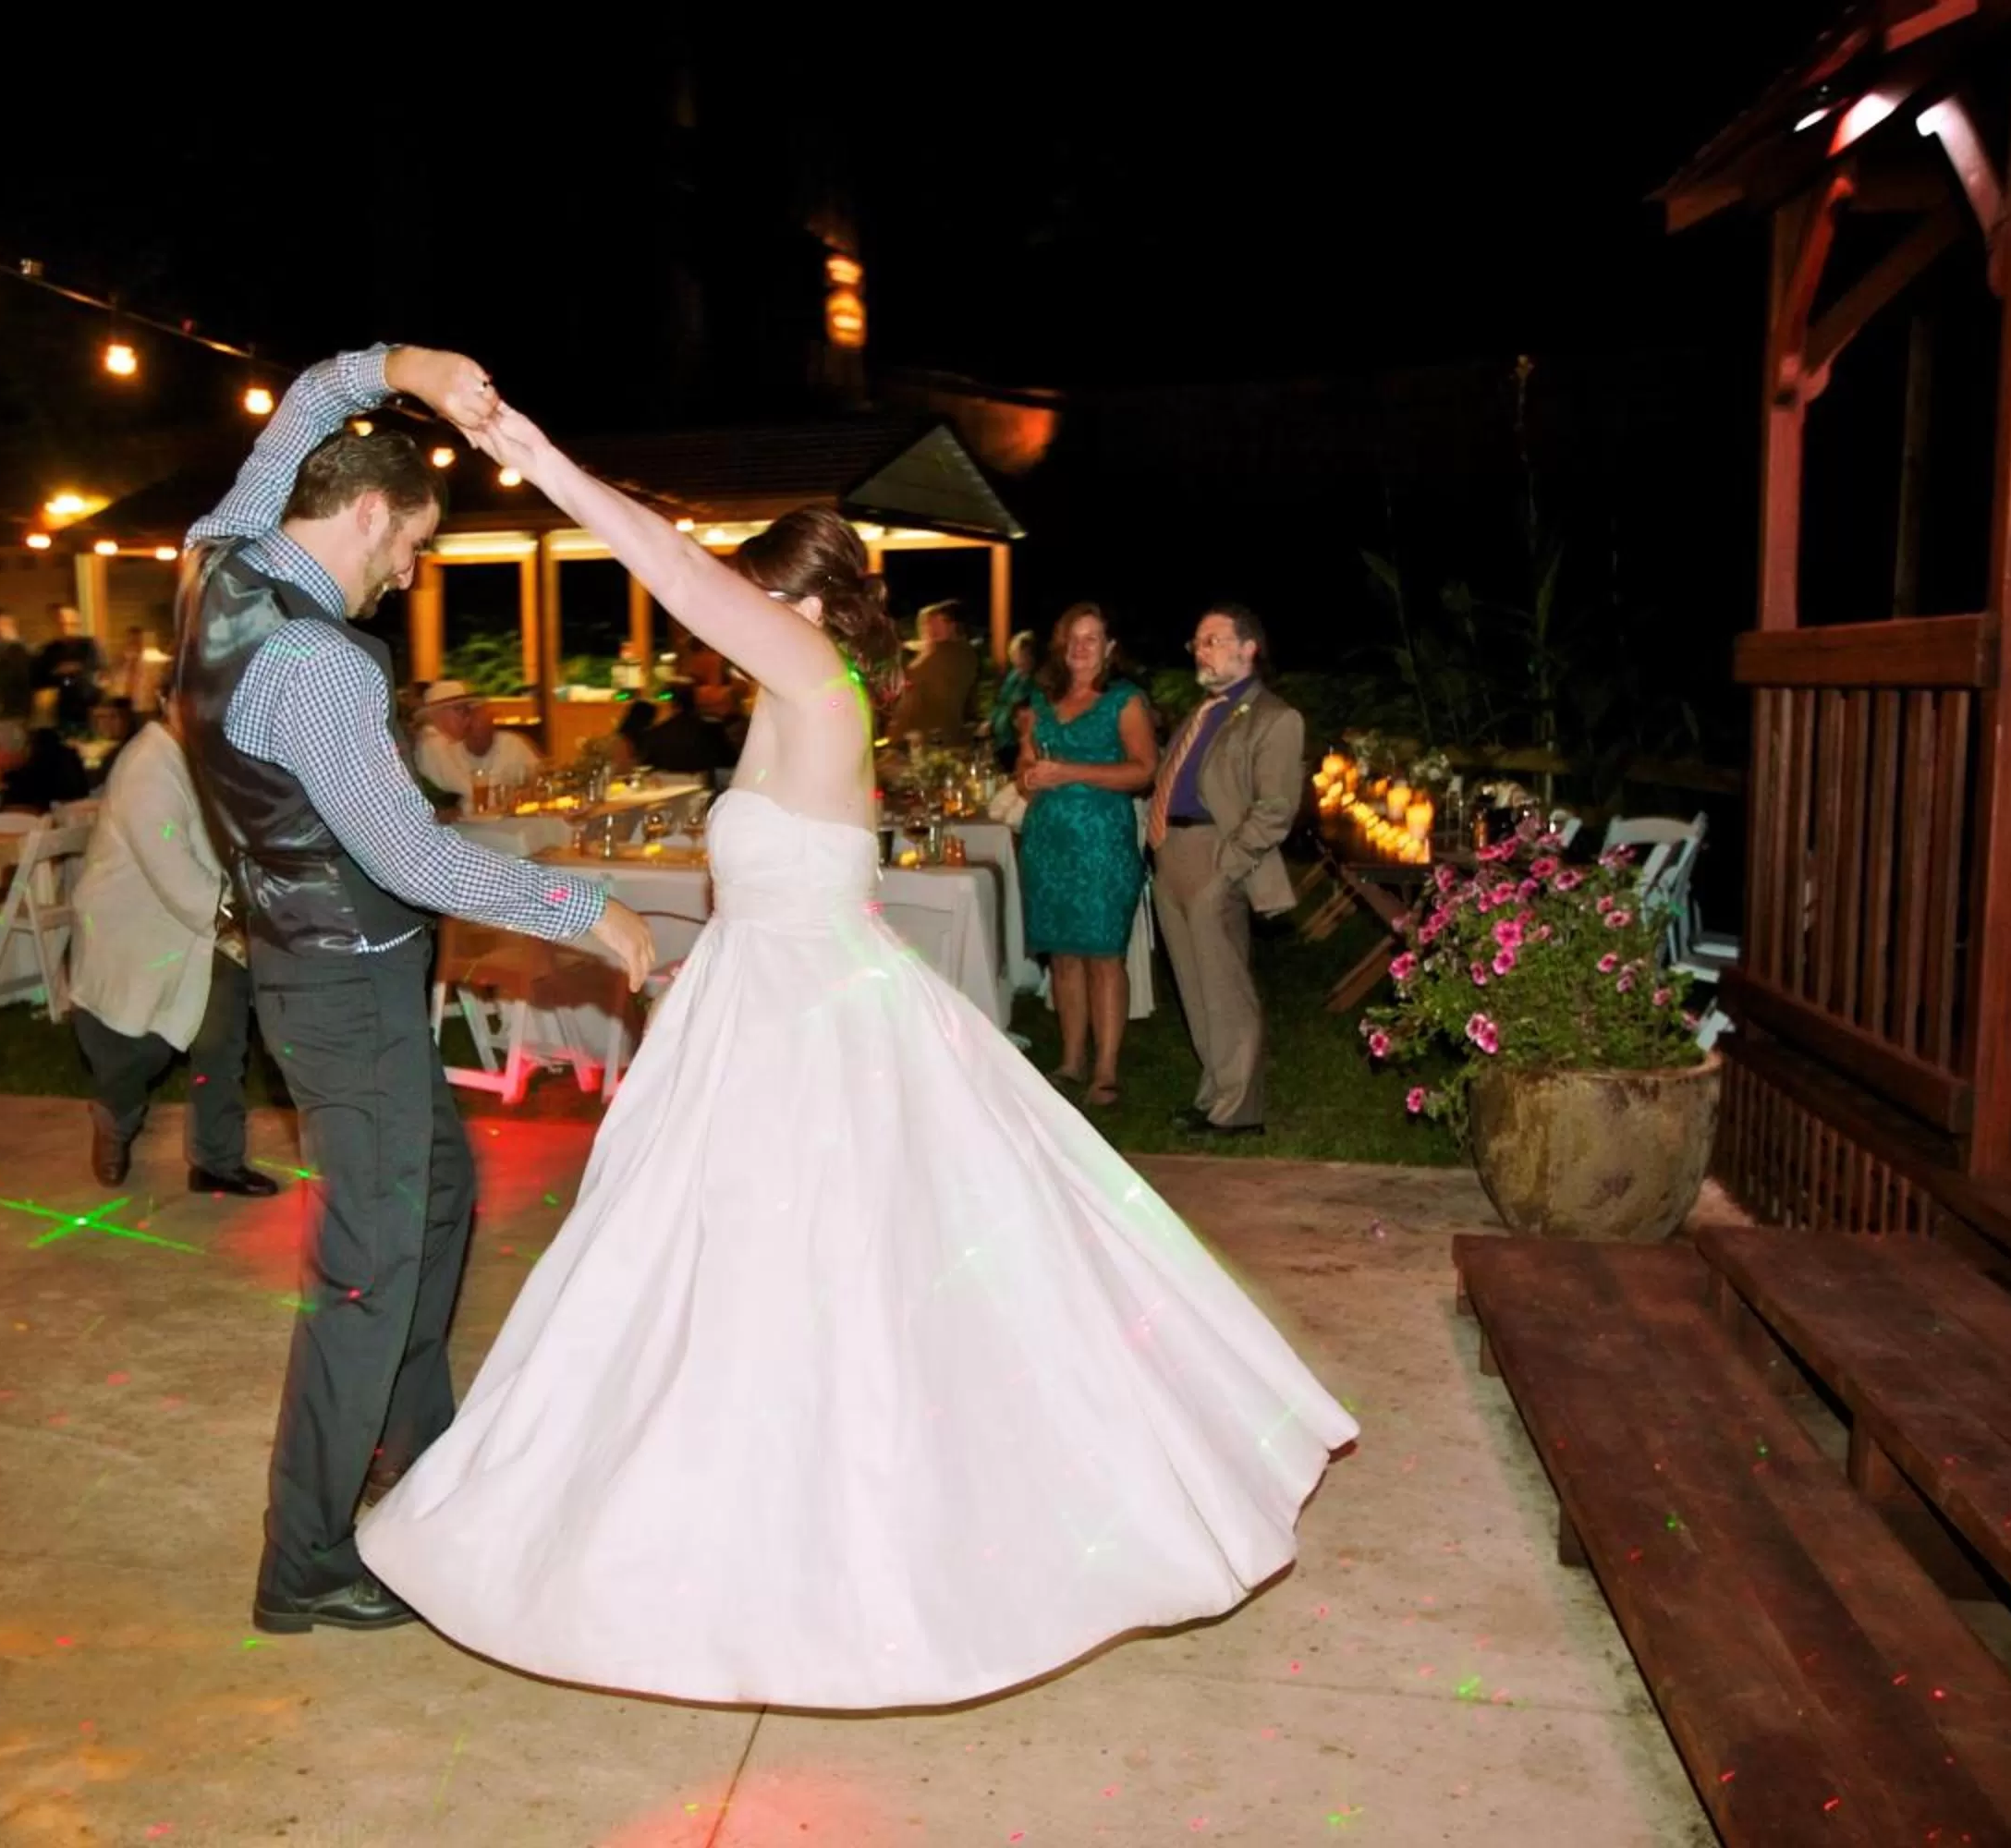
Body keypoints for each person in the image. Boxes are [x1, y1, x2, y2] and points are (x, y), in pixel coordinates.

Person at [356, 398, 1356, 1711]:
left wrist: (537, 460)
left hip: (800, 1022)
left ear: (804, 605)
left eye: (756, 599)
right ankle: (729, 1517)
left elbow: (667, 566)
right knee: (721, 1281)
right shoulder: (813, 698)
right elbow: (828, 873)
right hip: (770, 999)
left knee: (800, 1280)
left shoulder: (812, 672)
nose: (730, 624)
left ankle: (809, 1549)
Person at [170, 343, 652, 1640]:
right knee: (370, 1275)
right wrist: (581, 910)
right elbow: (411, 855)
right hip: (349, 992)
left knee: (440, 1199)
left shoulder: (218, 556)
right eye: (414, 548)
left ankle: (419, 1457)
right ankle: (309, 1559)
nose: (411, 573)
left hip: (305, 973)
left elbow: (304, 407)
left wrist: (409, 368)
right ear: (371, 512)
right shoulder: (323, 666)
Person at [69, 711, 273, 1198]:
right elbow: (175, 874)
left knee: (220, 1036)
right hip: (137, 934)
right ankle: (115, 1119)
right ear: (169, 701)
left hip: (202, 926)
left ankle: (216, 1160)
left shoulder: (210, 758)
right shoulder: (147, 767)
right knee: (139, 1051)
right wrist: (249, 923)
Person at [1148, 603, 1305, 1139]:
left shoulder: (1275, 718)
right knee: (1194, 986)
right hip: (1172, 855)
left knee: (1225, 986)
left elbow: (1276, 807)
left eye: (1213, 639)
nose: (1201, 649)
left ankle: (1240, 1108)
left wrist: (1228, 866)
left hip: (1217, 856)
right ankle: (1214, 1094)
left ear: (1248, 648)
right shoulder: (1202, 712)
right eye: (1197, 641)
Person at [1015, 603, 1158, 1109]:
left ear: (1110, 647)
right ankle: (1072, 1060)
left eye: (1092, 639)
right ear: (1061, 645)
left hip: (1101, 842)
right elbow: (1024, 768)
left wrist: (1070, 772)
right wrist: (1029, 776)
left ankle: (1105, 1070)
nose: (1081, 648)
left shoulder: (1125, 701)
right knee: (1065, 957)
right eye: (1073, 639)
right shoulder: (1041, 699)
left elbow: (1144, 771)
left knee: (1102, 956)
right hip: (1048, 841)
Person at [409, 680, 542, 809]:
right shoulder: (432, 745)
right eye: (459, 710)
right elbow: (466, 792)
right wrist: (507, 795)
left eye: (467, 710)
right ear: (436, 714)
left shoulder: (440, 742)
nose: (467, 717)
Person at [886, 598, 981, 742]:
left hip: (927, 734)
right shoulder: (959, 651)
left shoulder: (942, 653)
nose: (931, 630)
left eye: (939, 623)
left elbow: (909, 676)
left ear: (953, 625)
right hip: (933, 731)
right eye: (927, 625)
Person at [36, 604, 107, 732]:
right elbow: (42, 677)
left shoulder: (88, 645)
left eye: (70, 623)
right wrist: (67, 671)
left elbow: (95, 667)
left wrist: (65, 671)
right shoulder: (50, 650)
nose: (66, 627)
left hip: (87, 705)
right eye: (62, 623)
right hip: (62, 707)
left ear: (77, 624)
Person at [988, 629, 1038, 767]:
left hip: (1017, 742)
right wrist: (991, 722)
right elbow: (1001, 702)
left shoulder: (1036, 682)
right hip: (1001, 740)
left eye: (1019, 653)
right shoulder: (1013, 677)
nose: (1015, 657)